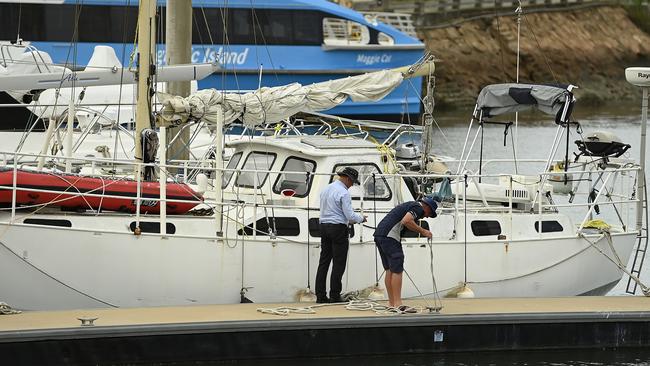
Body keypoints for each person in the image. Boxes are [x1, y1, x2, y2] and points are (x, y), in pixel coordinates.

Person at [373, 197, 438, 311]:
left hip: (379, 234)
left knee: (389, 269)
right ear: (426, 206)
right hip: (390, 236)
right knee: (397, 269)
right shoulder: (418, 208)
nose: (427, 216)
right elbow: (406, 221)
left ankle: (392, 303)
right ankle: (398, 304)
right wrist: (423, 231)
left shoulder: (410, 205)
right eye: (430, 213)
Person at [315, 167, 367, 303]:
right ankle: (334, 295)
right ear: (348, 179)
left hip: (323, 226)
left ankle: (320, 296)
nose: (351, 185)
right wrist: (361, 218)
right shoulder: (344, 193)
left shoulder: (326, 189)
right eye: (352, 182)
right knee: (339, 263)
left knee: (324, 262)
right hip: (338, 228)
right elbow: (349, 215)